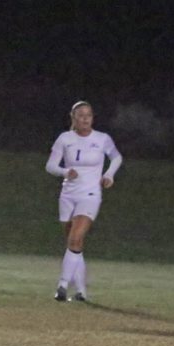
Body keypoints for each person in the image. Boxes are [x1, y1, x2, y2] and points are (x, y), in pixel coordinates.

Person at [45, 100, 123, 302]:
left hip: (90, 195)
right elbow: (50, 165)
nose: (85, 119)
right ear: (73, 118)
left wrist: (109, 175)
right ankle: (81, 292)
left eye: (88, 115)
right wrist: (64, 171)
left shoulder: (102, 138)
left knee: (76, 237)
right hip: (68, 195)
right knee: (74, 244)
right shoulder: (65, 138)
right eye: (81, 115)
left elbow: (116, 157)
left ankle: (62, 286)